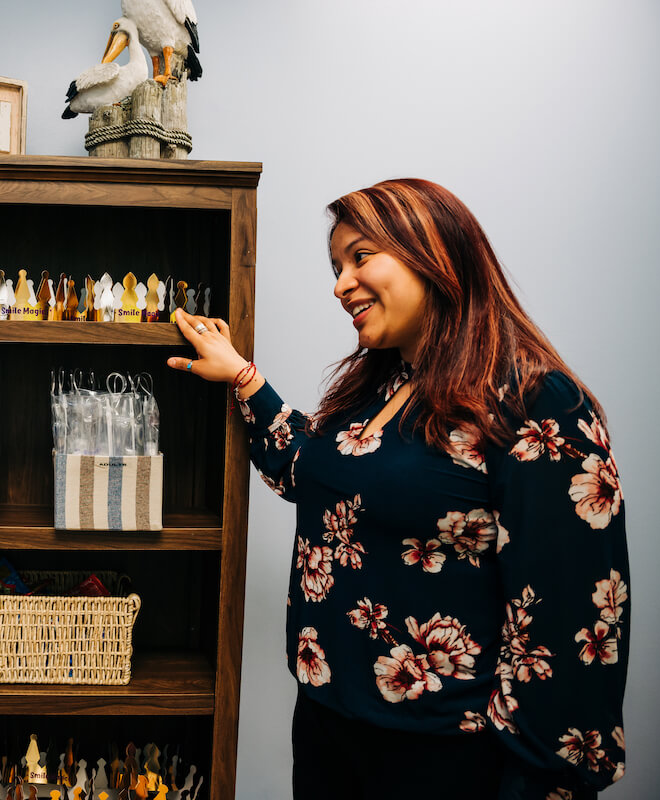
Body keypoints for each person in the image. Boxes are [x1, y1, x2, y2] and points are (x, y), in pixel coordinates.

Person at [170, 179, 628, 799]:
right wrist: (243, 376)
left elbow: (573, 614)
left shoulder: (532, 401)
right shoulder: (385, 385)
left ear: (434, 252)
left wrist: (537, 779)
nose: (339, 284)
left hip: (446, 756)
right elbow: (313, 475)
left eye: (361, 257)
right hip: (333, 726)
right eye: (336, 266)